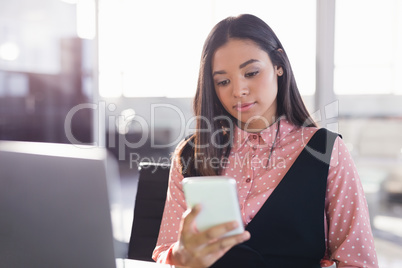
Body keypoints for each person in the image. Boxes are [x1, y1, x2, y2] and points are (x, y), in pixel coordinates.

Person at [152, 14, 378, 268]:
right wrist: (181, 256)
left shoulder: (325, 150)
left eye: (251, 72)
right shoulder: (191, 154)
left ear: (278, 64)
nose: (238, 90)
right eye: (223, 81)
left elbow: (358, 261)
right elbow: (164, 251)